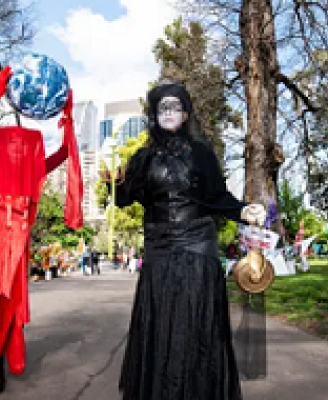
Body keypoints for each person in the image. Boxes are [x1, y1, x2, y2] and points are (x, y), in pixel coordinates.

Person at [102, 83, 265, 400]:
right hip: (160, 252)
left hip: (197, 247)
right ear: (154, 115)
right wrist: (117, 184)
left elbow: (217, 196)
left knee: (197, 325)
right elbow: (126, 199)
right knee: (162, 325)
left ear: (186, 113)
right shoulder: (143, 158)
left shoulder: (201, 154)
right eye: (162, 108)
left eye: (174, 107)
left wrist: (243, 210)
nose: (168, 113)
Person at [0, 66, 83, 394]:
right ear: (0, 146)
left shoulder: (33, 164)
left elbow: (64, 154)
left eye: (23, 148)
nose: (17, 150)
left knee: (7, 302)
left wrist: (68, 122)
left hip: (16, 237)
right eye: (10, 146)